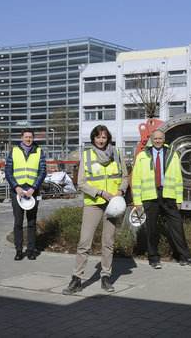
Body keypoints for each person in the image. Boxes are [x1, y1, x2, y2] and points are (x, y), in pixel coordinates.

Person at [63, 125, 129, 295]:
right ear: (93, 139)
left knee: (108, 242)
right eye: (98, 137)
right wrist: (100, 193)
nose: (101, 140)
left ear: (108, 139)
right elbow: (81, 182)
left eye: (104, 137)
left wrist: (120, 191)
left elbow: (125, 177)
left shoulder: (117, 154)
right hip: (93, 203)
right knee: (84, 242)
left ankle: (106, 276)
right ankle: (76, 279)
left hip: (112, 204)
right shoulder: (87, 155)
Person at [132, 129, 191, 269]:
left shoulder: (172, 154)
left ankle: (185, 256)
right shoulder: (142, 156)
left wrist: (179, 199)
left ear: (164, 139)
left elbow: (178, 178)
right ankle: (154, 258)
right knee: (152, 229)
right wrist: (137, 202)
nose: (157, 141)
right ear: (151, 139)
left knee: (177, 226)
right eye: (155, 138)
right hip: (150, 196)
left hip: (168, 195)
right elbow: (136, 180)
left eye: (160, 138)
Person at [4, 128, 47, 261]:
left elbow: (43, 171)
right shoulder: (14, 151)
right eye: (26, 137)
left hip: (32, 191)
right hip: (17, 190)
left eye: (30, 137)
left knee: (32, 222)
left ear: (33, 138)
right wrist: (16, 187)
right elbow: (8, 170)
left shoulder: (39, 151)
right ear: (21, 138)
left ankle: (31, 250)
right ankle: (18, 251)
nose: (28, 139)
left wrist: (34, 188)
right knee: (18, 222)